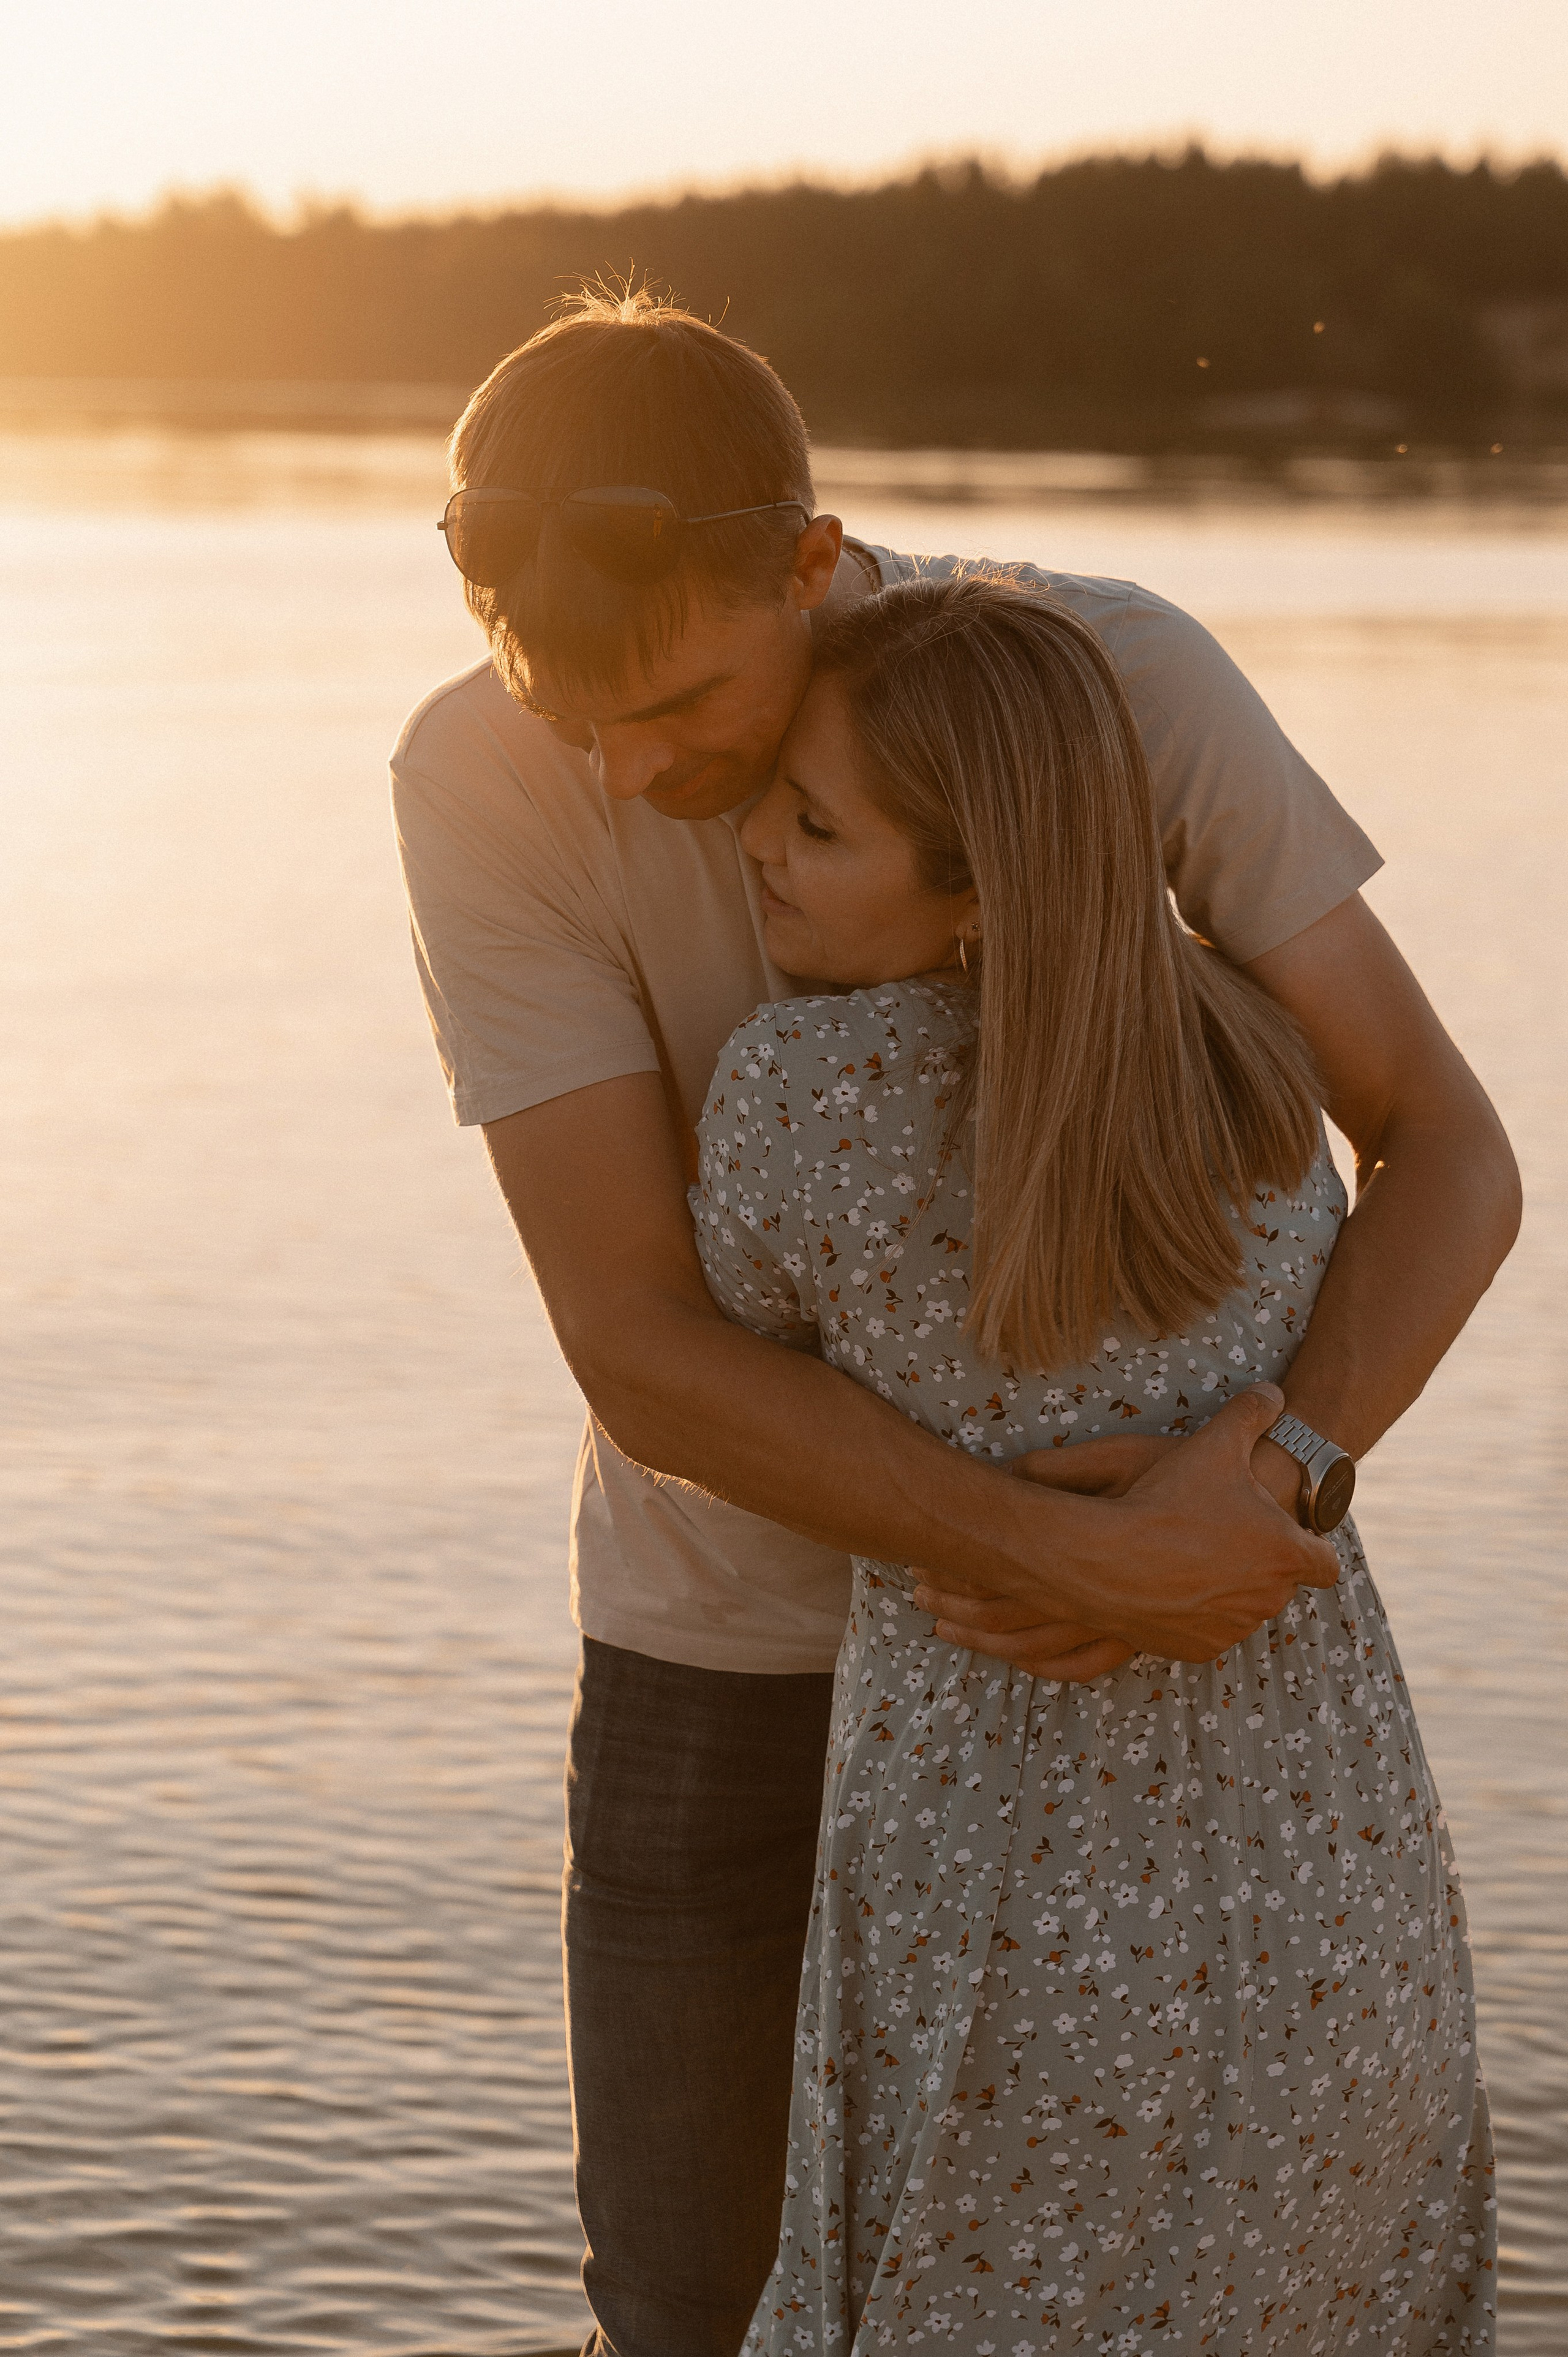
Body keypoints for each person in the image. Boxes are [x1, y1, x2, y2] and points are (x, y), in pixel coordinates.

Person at [389, 288, 1518, 2357]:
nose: (637, 775)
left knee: (1211, 2283)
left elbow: (1447, 1149)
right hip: (720, 1665)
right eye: (576, 718)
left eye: (691, 702)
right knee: (690, 2303)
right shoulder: (477, 773)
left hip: (1166, 1693)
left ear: (813, 562)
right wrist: (1069, 1553)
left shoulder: (1120, 680)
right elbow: (635, 1345)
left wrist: (1278, 1475)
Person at [690, 573, 1494, 2355]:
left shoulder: (796, 1101)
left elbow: (727, 1348)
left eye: (816, 827)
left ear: (975, 886)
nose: (753, 843)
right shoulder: (1264, 1065)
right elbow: (1431, 1176)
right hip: (1326, 1849)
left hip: (1009, 1872)